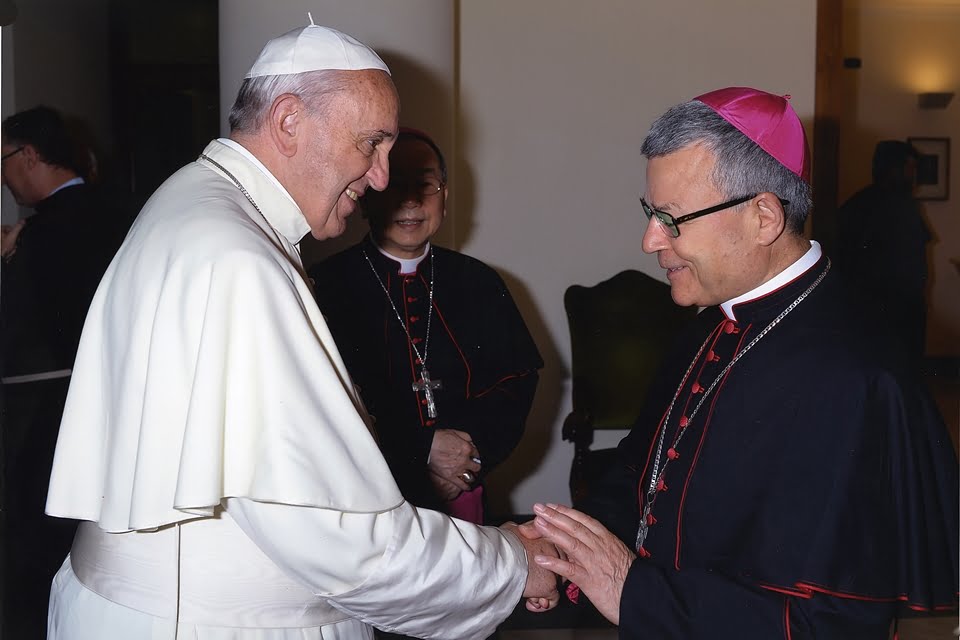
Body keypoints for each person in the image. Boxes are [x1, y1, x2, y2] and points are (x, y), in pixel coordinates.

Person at [43, 20, 558, 640]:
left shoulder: (191, 203)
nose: (381, 177)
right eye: (371, 143)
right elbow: (343, 541)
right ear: (288, 121)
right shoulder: (239, 257)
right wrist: (507, 562)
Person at [522, 87, 959, 637]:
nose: (649, 239)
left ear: (763, 218)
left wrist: (634, 591)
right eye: (649, 212)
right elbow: (643, 471)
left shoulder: (853, 379)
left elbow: (831, 621)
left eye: (671, 218)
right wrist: (560, 553)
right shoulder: (711, 324)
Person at [310, 128, 543, 526]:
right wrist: (421, 451)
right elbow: (320, 401)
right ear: (367, 197)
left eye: (426, 184)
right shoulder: (326, 286)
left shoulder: (480, 282)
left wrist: (465, 461)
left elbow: (515, 383)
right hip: (366, 497)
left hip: (462, 488)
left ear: (446, 197)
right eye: (395, 185)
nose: (412, 200)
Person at [1, 105, 127, 638]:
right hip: (108, 408)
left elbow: (26, 328)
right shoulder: (114, 211)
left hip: (45, 413)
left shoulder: (43, 235)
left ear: (28, 155)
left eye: (3, 161)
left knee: (35, 549)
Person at [835, 140, 931, 369]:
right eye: (910, 168)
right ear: (894, 168)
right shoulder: (898, 207)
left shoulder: (855, 205)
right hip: (891, 315)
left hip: (871, 316)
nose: (913, 175)